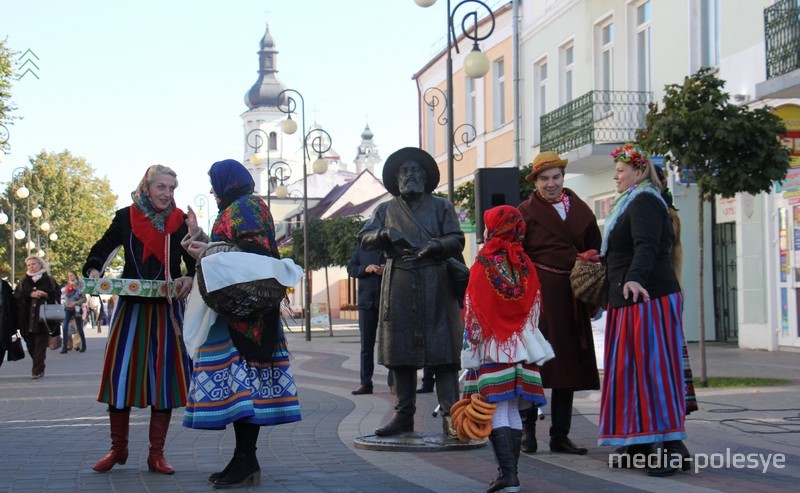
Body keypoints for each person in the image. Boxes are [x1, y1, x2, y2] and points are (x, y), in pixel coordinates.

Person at [181, 159, 302, 489]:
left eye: (213, 182)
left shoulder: (246, 207)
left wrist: (209, 249)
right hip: (237, 310)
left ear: (226, 182)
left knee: (245, 387)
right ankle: (243, 458)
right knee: (242, 389)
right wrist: (200, 239)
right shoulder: (239, 207)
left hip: (247, 313)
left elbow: (254, 254)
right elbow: (233, 250)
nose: (211, 190)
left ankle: (247, 460)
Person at [84, 164, 195, 475]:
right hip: (130, 310)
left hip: (166, 310)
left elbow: (195, 263)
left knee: (164, 381)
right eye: (161, 187)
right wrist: (94, 271)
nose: (167, 194)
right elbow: (102, 250)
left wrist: (190, 279)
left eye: (172, 188)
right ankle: (118, 448)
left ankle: (156, 454)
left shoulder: (180, 223)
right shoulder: (125, 216)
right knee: (121, 377)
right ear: (147, 187)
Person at [358, 146, 465, 438]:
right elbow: (363, 238)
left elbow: (457, 239)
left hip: (436, 282)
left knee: (444, 353)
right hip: (400, 284)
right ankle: (403, 415)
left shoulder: (442, 206)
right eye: (404, 171)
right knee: (400, 351)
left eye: (415, 170)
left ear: (426, 176)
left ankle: (451, 416)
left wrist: (438, 246)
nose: (410, 175)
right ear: (396, 178)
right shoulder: (385, 209)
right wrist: (383, 234)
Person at [598, 144, 688, 477]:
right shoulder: (627, 205)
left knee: (655, 372)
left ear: (637, 173)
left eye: (621, 171)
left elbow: (648, 245)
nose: (616, 176)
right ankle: (638, 442)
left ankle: (670, 446)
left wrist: (634, 278)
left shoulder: (646, 200)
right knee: (627, 374)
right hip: (627, 300)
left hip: (650, 296)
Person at [461, 205, 554, 493]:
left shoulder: (483, 263)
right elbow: (535, 306)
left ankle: (508, 476)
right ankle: (509, 475)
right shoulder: (526, 264)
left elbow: (473, 308)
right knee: (512, 405)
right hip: (523, 345)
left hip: (494, 346)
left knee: (497, 406)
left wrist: (472, 344)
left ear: (492, 229)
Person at [517, 151, 601, 455]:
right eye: (544, 179)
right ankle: (528, 433)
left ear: (563, 178)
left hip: (572, 294)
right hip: (538, 296)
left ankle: (559, 435)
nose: (551, 184)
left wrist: (591, 275)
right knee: (533, 363)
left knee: (566, 365)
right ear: (536, 181)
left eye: (556, 177)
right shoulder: (525, 212)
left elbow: (595, 245)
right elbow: (514, 254)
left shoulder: (581, 209)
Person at [347, 244, 389, 395]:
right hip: (366, 303)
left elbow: (403, 270)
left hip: (387, 303)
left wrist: (386, 271)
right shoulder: (361, 249)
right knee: (366, 345)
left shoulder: (391, 247)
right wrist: (365, 268)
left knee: (390, 343)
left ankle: (393, 382)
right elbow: (351, 268)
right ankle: (366, 383)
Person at [13, 256, 61, 379]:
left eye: (33, 264)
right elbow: (17, 296)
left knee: (40, 345)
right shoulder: (24, 281)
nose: (31, 267)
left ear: (40, 265)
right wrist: (30, 294)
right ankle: (38, 365)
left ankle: (37, 370)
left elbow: (57, 295)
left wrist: (46, 295)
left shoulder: (49, 280)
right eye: (29, 265)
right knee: (30, 345)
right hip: (26, 319)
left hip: (43, 319)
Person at [60, 270, 86, 353]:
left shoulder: (80, 286)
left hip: (77, 309)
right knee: (65, 326)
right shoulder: (67, 286)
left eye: (71, 275)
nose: (70, 277)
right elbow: (65, 297)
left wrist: (76, 303)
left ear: (75, 276)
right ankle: (64, 347)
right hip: (68, 309)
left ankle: (83, 345)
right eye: (68, 276)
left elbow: (84, 298)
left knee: (78, 327)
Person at [0, 277, 18, 367]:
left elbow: (12, 305)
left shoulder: (4, 285)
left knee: (2, 344)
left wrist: (14, 324)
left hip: (3, 319)